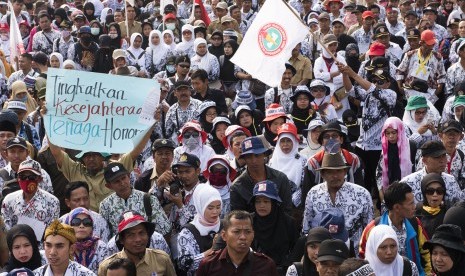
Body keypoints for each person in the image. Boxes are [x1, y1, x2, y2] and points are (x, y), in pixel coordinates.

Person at [303, 147, 373, 255]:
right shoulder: (313, 193)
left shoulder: (362, 194)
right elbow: (307, 228)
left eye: (339, 171)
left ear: (345, 171)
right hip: (322, 252)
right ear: (322, 174)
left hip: (354, 252)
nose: (335, 176)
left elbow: (369, 230)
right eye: (330, 172)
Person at [359, 182, 431, 275]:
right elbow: (363, 257)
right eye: (411, 203)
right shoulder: (373, 228)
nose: (415, 207)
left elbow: (427, 253)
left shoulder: (415, 223)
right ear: (397, 207)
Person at [196, 210, 279, 275]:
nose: (243, 237)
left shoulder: (266, 265)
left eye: (247, 231)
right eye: (237, 231)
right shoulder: (209, 265)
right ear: (224, 236)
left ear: (253, 235)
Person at [99, 162, 171, 237]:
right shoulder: (105, 206)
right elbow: (105, 236)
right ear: (109, 186)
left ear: (129, 176)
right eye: (117, 181)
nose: (122, 183)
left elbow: (165, 231)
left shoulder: (149, 199)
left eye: (124, 178)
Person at [98, 211, 176, 276]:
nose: (138, 239)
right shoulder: (107, 267)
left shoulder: (161, 259)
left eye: (141, 233)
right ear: (122, 240)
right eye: (131, 235)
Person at [231, 136, 293, 215]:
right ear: (244, 158)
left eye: (257, 155)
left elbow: (287, 210)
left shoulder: (281, 178)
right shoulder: (237, 187)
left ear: (264, 155)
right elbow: (239, 218)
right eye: (249, 156)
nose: (254, 161)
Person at [251, 180, 299, 274]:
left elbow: (296, 248)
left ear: (274, 203)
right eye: (258, 201)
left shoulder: (287, 222)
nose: (261, 205)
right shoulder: (249, 221)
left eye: (266, 201)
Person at [1, 159, 59, 232]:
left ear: (40, 179)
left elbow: (52, 232)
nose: (27, 180)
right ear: (18, 178)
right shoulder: (8, 200)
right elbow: (6, 229)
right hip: (15, 242)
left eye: (31, 177)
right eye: (23, 177)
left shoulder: (52, 202)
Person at [400, 141, 463, 208]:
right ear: (424, 160)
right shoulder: (408, 183)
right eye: (437, 157)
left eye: (444, 156)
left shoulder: (451, 180)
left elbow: (459, 206)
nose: (442, 161)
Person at [177, 184, 222, 275]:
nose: (215, 212)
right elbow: (185, 264)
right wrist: (211, 251)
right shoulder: (187, 232)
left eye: (218, 207)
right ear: (200, 206)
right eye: (210, 208)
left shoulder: (225, 226)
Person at [376, 117, 416, 203]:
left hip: (408, 189)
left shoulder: (411, 146)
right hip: (390, 191)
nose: (391, 136)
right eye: (387, 133)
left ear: (400, 131)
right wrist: (381, 191)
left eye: (394, 132)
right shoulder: (385, 149)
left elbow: (417, 168)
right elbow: (379, 171)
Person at [268, 123, 307, 208]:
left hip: (295, 206)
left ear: (294, 141)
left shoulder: (303, 160)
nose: (285, 144)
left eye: (289, 140)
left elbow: (305, 185)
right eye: (282, 141)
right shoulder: (272, 161)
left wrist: (292, 201)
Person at [64, 207, 108, 274]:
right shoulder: (63, 246)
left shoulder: (101, 247)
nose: (81, 226)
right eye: (76, 222)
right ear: (68, 225)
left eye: (86, 222)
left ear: (92, 227)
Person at [415, 173, 447, 238]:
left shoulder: (448, 211)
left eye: (439, 191)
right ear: (424, 193)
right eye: (430, 191)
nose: (435, 194)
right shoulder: (417, 212)